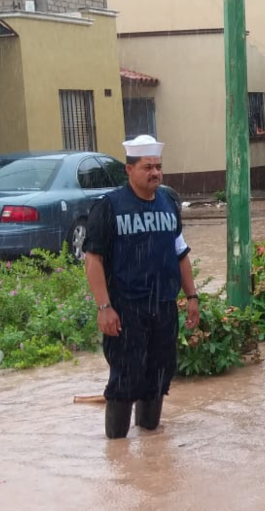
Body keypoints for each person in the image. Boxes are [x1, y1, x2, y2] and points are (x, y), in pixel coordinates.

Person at [83, 135, 200, 439]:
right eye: (147, 167)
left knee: (158, 375)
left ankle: (150, 441)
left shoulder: (169, 203)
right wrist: (104, 307)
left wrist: (192, 296)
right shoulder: (109, 207)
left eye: (158, 167)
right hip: (126, 309)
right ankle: (118, 451)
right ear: (129, 170)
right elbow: (93, 258)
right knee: (125, 379)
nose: (155, 173)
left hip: (162, 306)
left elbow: (181, 254)